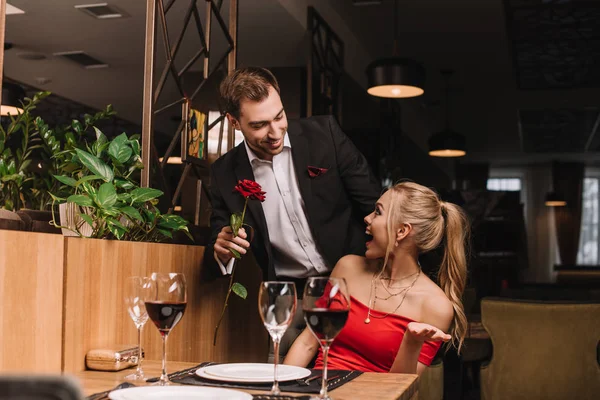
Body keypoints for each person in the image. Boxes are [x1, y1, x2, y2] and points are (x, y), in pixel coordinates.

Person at [204, 66, 381, 355]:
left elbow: (374, 207)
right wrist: (220, 250)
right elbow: (216, 249)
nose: (275, 133)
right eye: (259, 125)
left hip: (354, 283)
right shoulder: (225, 172)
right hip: (288, 295)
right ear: (234, 122)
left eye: (279, 116)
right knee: (279, 376)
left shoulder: (325, 135)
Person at [284, 181, 469, 375]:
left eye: (378, 212)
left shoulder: (434, 305)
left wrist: (411, 342)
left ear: (402, 231)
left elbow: (401, 387)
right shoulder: (347, 268)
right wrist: (278, 390)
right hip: (320, 391)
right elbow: (308, 343)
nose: (367, 218)